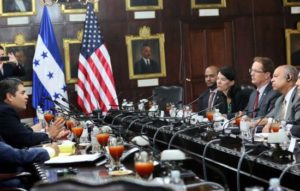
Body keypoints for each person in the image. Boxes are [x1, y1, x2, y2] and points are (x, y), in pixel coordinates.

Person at [0, 78, 67, 149]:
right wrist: (49, 134)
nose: (27, 96)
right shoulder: (5, 111)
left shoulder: (4, 109)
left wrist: (47, 132)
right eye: (22, 93)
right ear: (10, 96)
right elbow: (25, 138)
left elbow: (20, 132)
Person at [262, 65, 300, 132]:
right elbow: (269, 117)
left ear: (288, 77)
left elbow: (297, 124)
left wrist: (278, 125)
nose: (271, 80)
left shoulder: (298, 96)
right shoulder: (279, 100)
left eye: (275, 76)